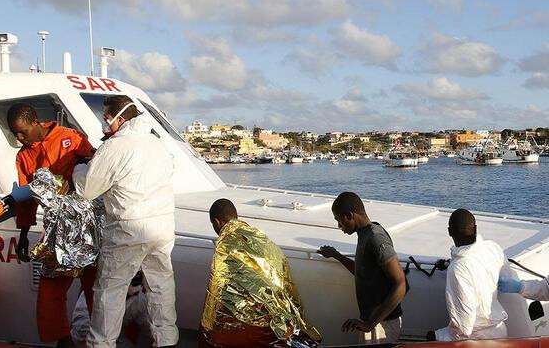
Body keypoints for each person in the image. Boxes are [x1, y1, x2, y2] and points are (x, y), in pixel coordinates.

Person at [72, 95, 178, 348]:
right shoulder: (157, 143)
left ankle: (102, 344)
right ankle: (167, 340)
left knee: (110, 291)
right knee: (161, 285)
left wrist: (79, 168)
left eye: (107, 116)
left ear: (119, 118)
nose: (105, 122)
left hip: (128, 229)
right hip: (161, 227)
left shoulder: (115, 146)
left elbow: (87, 189)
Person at [7, 103, 96, 347]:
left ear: (36, 122)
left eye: (22, 131)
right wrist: (24, 233)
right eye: (14, 133)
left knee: (94, 288)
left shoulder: (70, 138)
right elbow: (27, 197)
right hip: (57, 231)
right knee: (49, 293)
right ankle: (63, 341)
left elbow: (99, 168)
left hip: (89, 226)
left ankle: (103, 339)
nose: (18, 137)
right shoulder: (23, 156)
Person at [199, 199, 321, 348]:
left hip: (254, 320)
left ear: (217, 222)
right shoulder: (260, 237)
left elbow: (216, 291)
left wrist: (207, 328)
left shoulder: (225, 244)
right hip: (279, 312)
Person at [318, 192, 406, 344]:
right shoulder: (364, 234)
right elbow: (362, 272)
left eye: (339, 220)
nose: (339, 226)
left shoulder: (375, 238)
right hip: (371, 322)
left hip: (381, 325)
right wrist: (336, 255)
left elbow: (401, 284)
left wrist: (370, 324)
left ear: (349, 215)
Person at [433, 208, 508, 341]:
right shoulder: (492, 248)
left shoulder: (458, 268)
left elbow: (464, 327)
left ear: (449, 232)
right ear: (476, 228)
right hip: (500, 331)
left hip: (478, 339)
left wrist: (436, 336)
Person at [71, 272, 152, 348]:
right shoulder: (98, 293)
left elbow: (148, 328)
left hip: (117, 338)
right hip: (90, 337)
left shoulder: (138, 298)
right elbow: (81, 332)